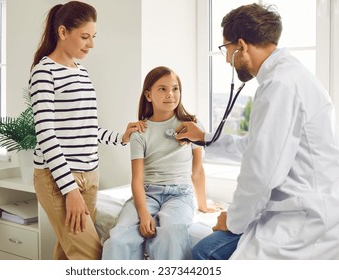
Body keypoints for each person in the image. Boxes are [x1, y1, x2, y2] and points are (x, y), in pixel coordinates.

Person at [176, 3, 339, 259]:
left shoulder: (279, 85)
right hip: (307, 206)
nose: (228, 59)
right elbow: (254, 148)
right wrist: (204, 138)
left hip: (304, 219)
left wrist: (232, 221)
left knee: (204, 254)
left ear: (241, 45)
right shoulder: (290, 76)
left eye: (226, 50)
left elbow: (261, 173)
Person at [29, 1, 145, 260]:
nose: (91, 44)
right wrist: (69, 189)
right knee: (91, 258)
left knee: (69, 256)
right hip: (58, 178)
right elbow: (46, 135)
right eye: (84, 37)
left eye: (93, 37)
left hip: (90, 175)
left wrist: (120, 137)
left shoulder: (81, 72)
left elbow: (85, 126)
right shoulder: (44, 73)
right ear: (62, 33)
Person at [102, 66, 218, 260]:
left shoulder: (192, 125)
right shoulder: (140, 132)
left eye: (175, 89)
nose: (170, 94)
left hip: (180, 195)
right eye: (162, 89)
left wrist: (203, 205)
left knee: (172, 233)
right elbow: (137, 180)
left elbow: (197, 171)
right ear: (148, 95)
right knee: (118, 240)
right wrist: (144, 213)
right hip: (147, 193)